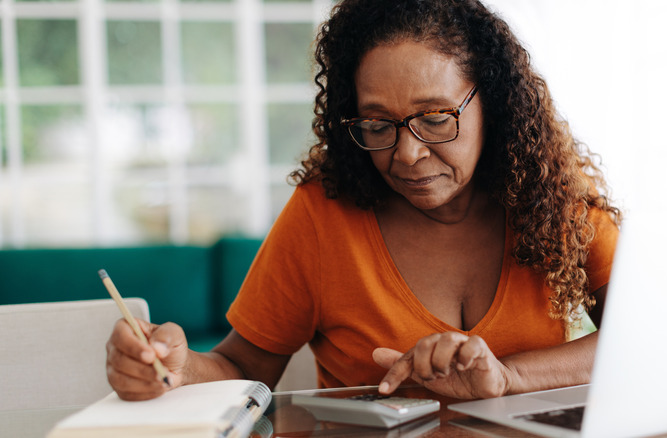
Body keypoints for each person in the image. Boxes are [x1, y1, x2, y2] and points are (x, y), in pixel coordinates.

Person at [106, 0, 621, 402]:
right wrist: (177, 368)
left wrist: (507, 377)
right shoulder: (321, 213)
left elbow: (640, 335)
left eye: (437, 118)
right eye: (377, 124)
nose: (408, 153)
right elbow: (241, 369)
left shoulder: (551, 190)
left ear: (494, 102)